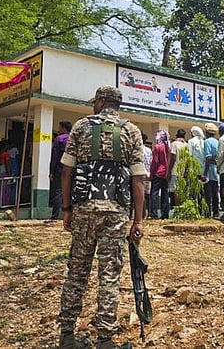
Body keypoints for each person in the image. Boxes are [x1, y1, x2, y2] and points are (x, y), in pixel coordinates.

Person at [57, 86, 146, 349]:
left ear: (100, 102)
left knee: (77, 272)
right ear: (117, 105)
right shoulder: (131, 130)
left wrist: (66, 208)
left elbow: (66, 171)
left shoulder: (81, 127)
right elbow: (139, 179)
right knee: (109, 275)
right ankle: (105, 340)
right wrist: (138, 220)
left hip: (83, 210)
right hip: (116, 213)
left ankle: (67, 335)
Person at [49, 121, 72, 220]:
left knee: (58, 192)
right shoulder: (73, 138)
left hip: (60, 168)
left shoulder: (59, 139)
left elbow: (54, 156)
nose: (58, 130)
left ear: (63, 128)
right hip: (72, 168)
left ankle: (55, 215)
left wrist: (51, 171)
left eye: (59, 127)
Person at [149, 129, 170, 220]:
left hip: (158, 172)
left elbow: (155, 162)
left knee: (154, 193)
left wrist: (151, 173)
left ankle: (154, 213)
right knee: (165, 193)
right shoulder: (169, 147)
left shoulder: (158, 147)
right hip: (166, 173)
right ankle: (165, 214)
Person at [203, 123, 221, 218]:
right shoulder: (218, 142)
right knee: (215, 192)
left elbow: (208, 158)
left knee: (208, 193)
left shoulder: (207, 142)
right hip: (216, 170)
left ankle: (208, 212)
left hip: (209, 170)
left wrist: (205, 173)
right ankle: (216, 212)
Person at [167, 128, 188, 209]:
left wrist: (168, 171)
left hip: (175, 170)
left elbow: (173, 157)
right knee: (181, 190)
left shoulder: (174, 144)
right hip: (183, 171)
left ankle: (177, 208)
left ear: (176, 135)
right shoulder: (186, 145)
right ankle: (182, 207)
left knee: (175, 191)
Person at [141, 134, 153, 219]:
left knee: (141, 195)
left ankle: (142, 213)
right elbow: (151, 162)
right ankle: (149, 213)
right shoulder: (149, 150)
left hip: (140, 174)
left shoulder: (138, 149)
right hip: (148, 174)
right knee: (148, 195)